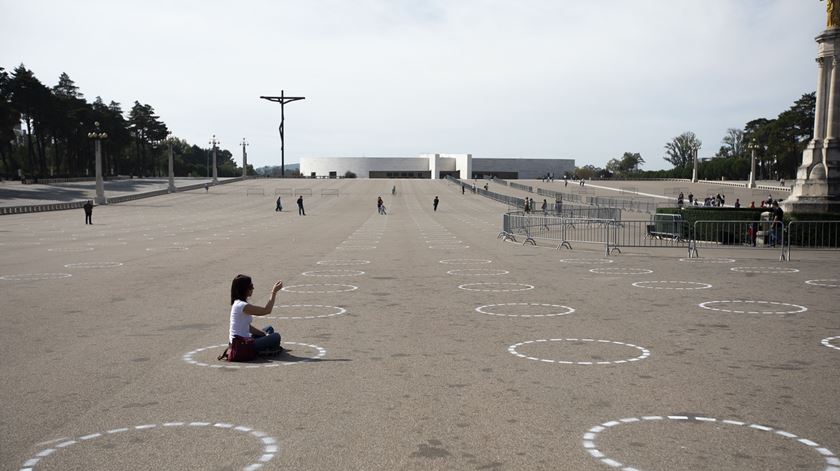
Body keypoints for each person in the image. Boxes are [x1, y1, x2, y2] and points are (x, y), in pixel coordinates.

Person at [229, 275, 283, 355]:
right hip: (242, 345)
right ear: (243, 289)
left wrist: (264, 334)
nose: (253, 289)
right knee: (276, 336)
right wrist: (274, 292)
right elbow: (267, 310)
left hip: (240, 342)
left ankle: (266, 347)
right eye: (251, 286)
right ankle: (262, 350)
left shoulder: (238, 303)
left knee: (269, 329)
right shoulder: (242, 305)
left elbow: (248, 327)